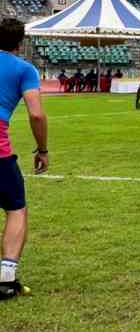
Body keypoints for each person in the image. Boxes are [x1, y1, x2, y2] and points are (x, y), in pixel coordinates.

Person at [0, 18, 49, 301]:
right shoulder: (24, 69)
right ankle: (6, 279)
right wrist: (42, 149)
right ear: (21, 42)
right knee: (16, 209)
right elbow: (36, 114)